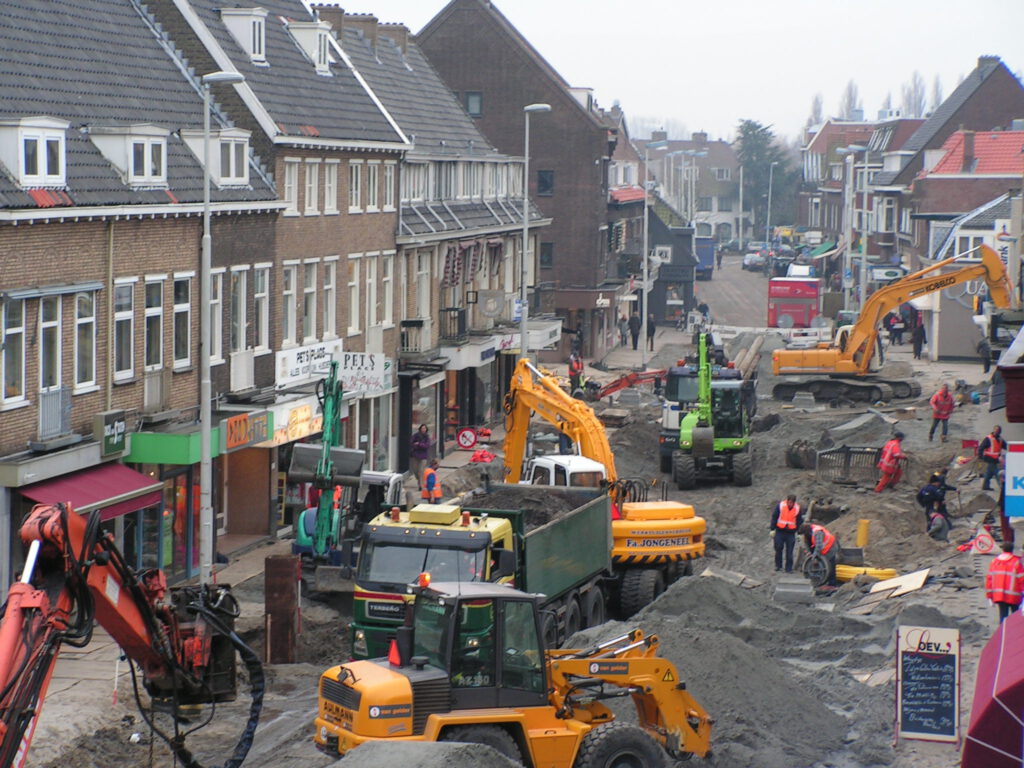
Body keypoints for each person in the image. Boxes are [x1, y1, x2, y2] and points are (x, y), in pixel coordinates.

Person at [986, 541, 1024, 623]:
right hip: (1014, 596)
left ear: (1002, 549)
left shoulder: (994, 562)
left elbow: (989, 579)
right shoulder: (1016, 562)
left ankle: (1003, 630)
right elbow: (1021, 579)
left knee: (1003, 616)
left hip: (999, 596)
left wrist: (989, 596)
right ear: (1012, 550)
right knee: (1015, 618)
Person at [769, 494, 804, 573]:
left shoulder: (797, 509)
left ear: (794, 503)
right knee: (778, 547)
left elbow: (799, 521)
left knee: (790, 551)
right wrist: (772, 529)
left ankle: (789, 568)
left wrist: (799, 533)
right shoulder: (781, 506)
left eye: (792, 503)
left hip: (790, 533)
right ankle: (778, 566)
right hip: (780, 531)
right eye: (789, 502)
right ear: (787, 501)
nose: (790, 504)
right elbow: (775, 517)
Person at [978, 425, 1005, 491]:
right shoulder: (988, 438)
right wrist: (980, 457)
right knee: (997, 473)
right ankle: (1002, 487)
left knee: (989, 473)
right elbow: (981, 448)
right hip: (989, 458)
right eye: (996, 430)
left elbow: (1006, 446)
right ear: (994, 430)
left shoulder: (1000, 439)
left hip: (996, 459)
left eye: (999, 431)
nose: (997, 432)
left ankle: (985, 486)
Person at [410, 424, 433, 491]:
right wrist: (417, 446)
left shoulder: (427, 437)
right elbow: (411, 443)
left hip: (423, 457)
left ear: (426, 429)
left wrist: (419, 444)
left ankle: (420, 485)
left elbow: (427, 446)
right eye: (422, 428)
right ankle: (419, 479)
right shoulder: (415, 436)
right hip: (415, 456)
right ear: (420, 429)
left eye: (424, 428)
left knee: (421, 471)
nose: (423, 430)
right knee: (415, 470)